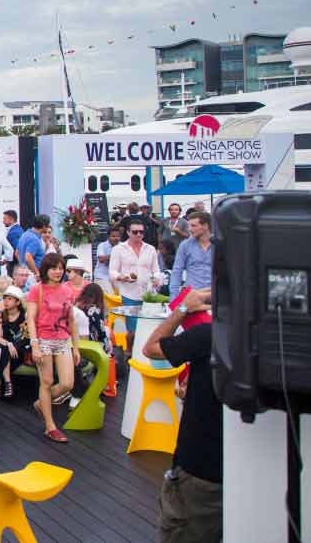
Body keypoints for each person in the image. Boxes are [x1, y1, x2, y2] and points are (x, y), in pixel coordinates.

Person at [142, 288, 221, 543]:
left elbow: (151, 348)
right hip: (256, 475)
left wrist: (183, 308)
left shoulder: (207, 337)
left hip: (200, 473)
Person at [25, 253, 80, 443]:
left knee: (67, 383)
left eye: (60, 268)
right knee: (46, 382)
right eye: (54, 268)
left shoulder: (67, 290)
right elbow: (31, 319)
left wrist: (76, 347)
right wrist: (35, 345)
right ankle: (50, 426)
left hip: (63, 339)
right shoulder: (36, 290)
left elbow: (71, 319)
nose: (58, 272)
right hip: (44, 340)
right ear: (46, 270)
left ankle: (42, 403)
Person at [110, 216, 160, 341]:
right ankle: (130, 352)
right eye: (135, 232)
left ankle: (142, 354)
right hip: (129, 293)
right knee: (132, 328)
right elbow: (112, 272)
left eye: (141, 232)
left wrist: (157, 279)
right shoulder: (118, 249)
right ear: (127, 232)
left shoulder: (151, 249)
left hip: (148, 293)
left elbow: (156, 270)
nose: (138, 234)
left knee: (147, 326)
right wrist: (121, 277)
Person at [0, 285, 28, 401]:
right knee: (3, 350)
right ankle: (7, 383)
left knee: (2, 353)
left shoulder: (24, 316)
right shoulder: (0, 316)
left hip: (19, 348)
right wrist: (8, 344)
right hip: (6, 347)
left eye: (10, 299)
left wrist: (12, 344)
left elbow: (25, 336)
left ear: (18, 302)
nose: (6, 301)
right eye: (5, 298)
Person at [170, 211, 213, 298]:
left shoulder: (220, 244)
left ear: (205, 226)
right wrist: (174, 298)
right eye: (189, 225)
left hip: (214, 296)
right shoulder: (185, 245)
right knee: (180, 310)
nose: (189, 229)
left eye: (193, 226)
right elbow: (177, 271)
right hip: (190, 297)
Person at [74, 283, 111, 353]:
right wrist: (107, 348)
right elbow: (101, 332)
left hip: (74, 340)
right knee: (107, 332)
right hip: (89, 343)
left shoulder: (76, 304)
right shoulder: (94, 311)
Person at [95, 226, 121, 291]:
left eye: (118, 236)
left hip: (117, 277)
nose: (116, 238)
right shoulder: (102, 245)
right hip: (102, 276)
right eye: (113, 236)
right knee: (109, 294)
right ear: (108, 237)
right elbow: (101, 259)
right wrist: (115, 254)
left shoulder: (122, 246)